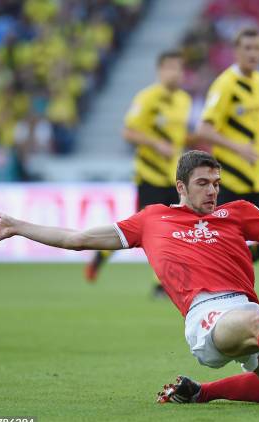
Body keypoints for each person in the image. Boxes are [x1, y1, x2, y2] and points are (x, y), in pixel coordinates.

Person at [0, 150, 259, 405]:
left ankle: (201, 392)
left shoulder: (237, 213)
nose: (212, 190)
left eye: (216, 183)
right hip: (207, 317)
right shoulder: (152, 220)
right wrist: (20, 227)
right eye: (203, 183)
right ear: (181, 187)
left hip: (245, 313)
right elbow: (77, 240)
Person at [85, 50, 196, 297]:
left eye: (179, 68)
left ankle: (105, 254)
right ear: (160, 71)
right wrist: (156, 144)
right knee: (150, 229)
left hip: (174, 176)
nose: (175, 73)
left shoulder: (184, 101)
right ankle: (159, 284)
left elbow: (179, 136)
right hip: (149, 175)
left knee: (165, 228)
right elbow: (128, 132)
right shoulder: (147, 98)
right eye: (170, 68)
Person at [196, 27, 259, 263]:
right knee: (217, 244)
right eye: (247, 48)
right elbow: (203, 130)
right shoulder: (225, 84)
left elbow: (256, 128)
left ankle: (239, 262)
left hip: (256, 180)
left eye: (257, 48)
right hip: (229, 180)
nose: (253, 53)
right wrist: (238, 148)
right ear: (236, 51)